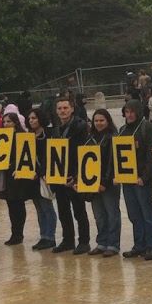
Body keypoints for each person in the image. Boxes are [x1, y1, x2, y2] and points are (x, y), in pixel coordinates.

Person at [50, 96, 92, 254]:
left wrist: (75, 176)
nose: (62, 111)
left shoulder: (80, 127)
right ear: (56, 111)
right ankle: (68, 240)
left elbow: (83, 153)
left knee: (79, 210)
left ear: (72, 109)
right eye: (60, 108)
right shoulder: (56, 129)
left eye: (65, 108)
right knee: (63, 210)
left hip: (74, 175)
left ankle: (84, 241)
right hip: (59, 175)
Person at [118, 100, 152, 261]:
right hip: (127, 179)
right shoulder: (122, 130)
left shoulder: (147, 127)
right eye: (127, 112)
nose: (129, 115)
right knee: (134, 214)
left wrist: (145, 177)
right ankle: (139, 245)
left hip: (141, 179)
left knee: (147, 213)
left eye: (132, 111)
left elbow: (151, 155)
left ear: (138, 112)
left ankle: (151, 246)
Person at [85, 108, 122, 257]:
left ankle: (113, 244)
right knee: (99, 215)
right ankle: (102, 242)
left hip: (109, 183)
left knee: (112, 214)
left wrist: (105, 183)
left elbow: (112, 163)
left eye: (102, 120)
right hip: (93, 182)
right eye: (96, 120)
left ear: (108, 121)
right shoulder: (89, 138)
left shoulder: (113, 137)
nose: (99, 123)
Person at [0, 111, 37, 246]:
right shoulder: (1, 137)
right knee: (11, 205)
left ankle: (18, 234)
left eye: (9, 121)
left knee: (18, 205)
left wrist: (13, 165)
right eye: (4, 122)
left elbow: (26, 155)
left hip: (17, 175)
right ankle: (15, 233)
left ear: (15, 123)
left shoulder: (22, 136)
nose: (6, 124)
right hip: (5, 175)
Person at [26, 108, 61, 251]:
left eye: (34, 118)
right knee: (39, 208)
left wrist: (41, 173)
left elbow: (51, 156)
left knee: (46, 206)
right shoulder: (28, 136)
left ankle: (50, 237)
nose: (31, 121)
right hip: (31, 177)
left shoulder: (49, 134)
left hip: (45, 175)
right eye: (29, 118)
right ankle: (43, 236)